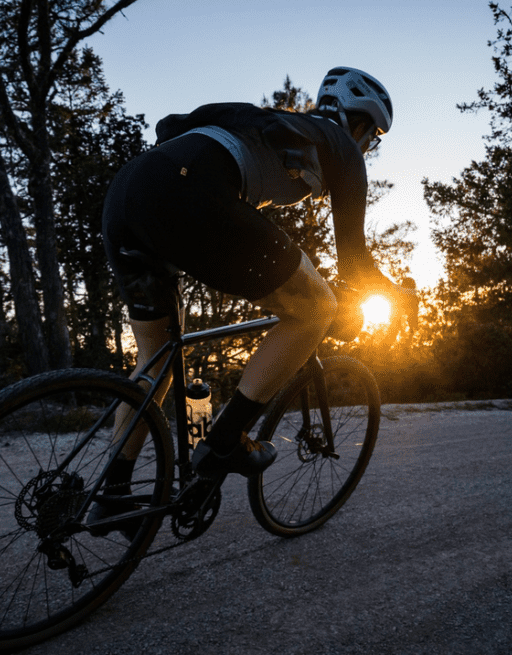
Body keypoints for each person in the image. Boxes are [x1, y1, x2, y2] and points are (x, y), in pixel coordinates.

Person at [97, 67, 411, 506]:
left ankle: (111, 491)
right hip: (185, 191)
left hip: (129, 194)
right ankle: (224, 441)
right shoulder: (339, 146)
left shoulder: (273, 129)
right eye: (372, 138)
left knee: (157, 357)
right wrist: (399, 295)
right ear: (359, 125)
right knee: (316, 309)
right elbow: (356, 264)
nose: (369, 149)